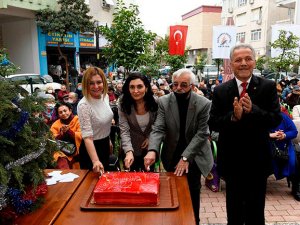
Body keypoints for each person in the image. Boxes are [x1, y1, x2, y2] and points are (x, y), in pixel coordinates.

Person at [209, 44, 282, 225]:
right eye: (238, 60)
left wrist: (254, 110)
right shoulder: (220, 90)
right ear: (231, 64)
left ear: (254, 62)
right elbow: (213, 123)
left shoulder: (268, 87)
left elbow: (275, 119)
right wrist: (233, 116)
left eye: (248, 59)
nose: (243, 63)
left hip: (258, 161)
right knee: (233, 212)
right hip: (232, 161)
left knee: (256, 212)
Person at [144, 68, 213, 225]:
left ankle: (194, 220)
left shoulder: (203, 103)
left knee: (192, 192)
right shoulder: (164, 101)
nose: (178, 88)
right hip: (172, 152)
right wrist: (153, 150)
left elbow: (202, 134)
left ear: (192, 86)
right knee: (171, 191)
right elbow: (159, 128)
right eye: (175, 84)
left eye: (183, 84)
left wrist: (186, 157)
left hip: (195, 154)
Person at [77, 67, 114, 174]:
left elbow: (104, 123)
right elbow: (87, 137)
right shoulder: (84, 105)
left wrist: (109, 140)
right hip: (91, 151)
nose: (96, 86)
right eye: (91, 83)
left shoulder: (105, 97)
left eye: (99, 82)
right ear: (85, 85)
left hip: (105, 145)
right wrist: (95, 160)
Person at [119, 73, 158, 171]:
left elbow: (159, 125)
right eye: (132, 87)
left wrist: (150, 138)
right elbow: (124, 130)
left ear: (146, 87)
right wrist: (128, 151)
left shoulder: (156, 103)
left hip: (150, 149)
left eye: (139, 86)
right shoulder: (123, 103)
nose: (136, 91)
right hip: (131, 148)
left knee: (149, 180)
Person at [50, 102, 82, 169]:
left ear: (70, 111)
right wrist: (62, 134)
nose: (63, 114)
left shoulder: (78, 120)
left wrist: (69, 131)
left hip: (77, 150)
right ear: (58, 114)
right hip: (62, 150)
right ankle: (64, 176)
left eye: (65, 111)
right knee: (58, 156)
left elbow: (82, 135)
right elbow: (51, 138)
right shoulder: (56, 124)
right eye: (60, 112)